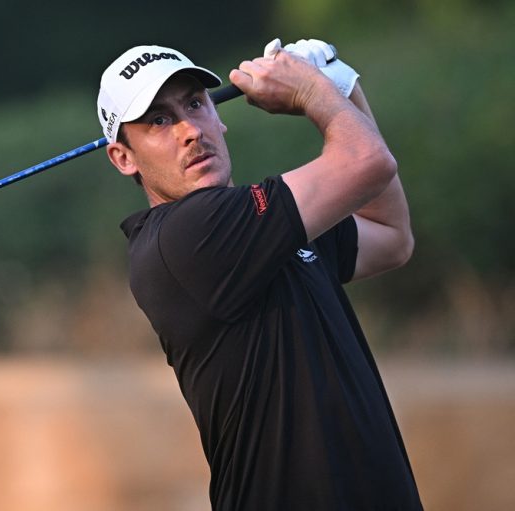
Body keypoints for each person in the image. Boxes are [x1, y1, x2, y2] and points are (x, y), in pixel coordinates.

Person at [96, 40, 423, 510]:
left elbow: (392, 236)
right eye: (159, 121)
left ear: (219, 116)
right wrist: (314, 90)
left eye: (195, 104)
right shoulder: (186, 234)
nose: (190, 130)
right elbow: (367, 162)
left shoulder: (265, 226)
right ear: (123, 158)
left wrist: (341, 88)